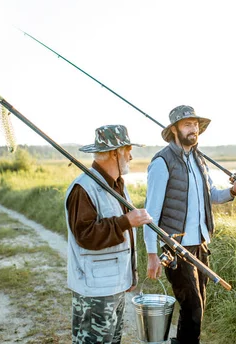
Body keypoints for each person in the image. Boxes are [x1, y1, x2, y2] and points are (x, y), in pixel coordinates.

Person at [143, 105, 236, 344]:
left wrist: (233, 191)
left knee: (197, 307)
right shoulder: (162, 162)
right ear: (174, 129)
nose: (194, 129)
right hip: (176, 247)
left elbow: (212, 195)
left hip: (201, 245)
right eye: (187, 124)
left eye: (195, 125)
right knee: (193, 309)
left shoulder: (199, 160)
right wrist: (152, 254)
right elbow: (150, 214)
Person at [65, 124, 153, 344]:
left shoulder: (117, 185)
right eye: (128, 150)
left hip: (114, 284)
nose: (131, 156)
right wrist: (126, 221)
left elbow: (123, 239)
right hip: (95, 290)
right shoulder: (84, 187)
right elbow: (85, 235)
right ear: (115, 153)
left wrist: (129, 275)